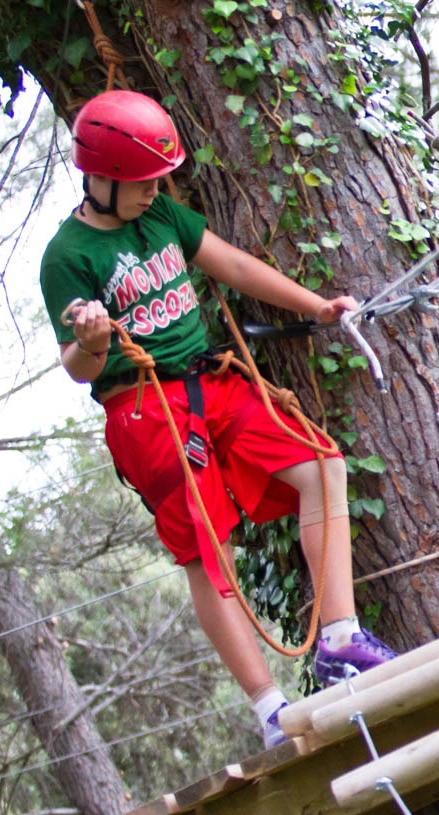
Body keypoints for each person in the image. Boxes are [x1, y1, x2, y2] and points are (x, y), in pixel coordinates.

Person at [38, 89, 396, 749]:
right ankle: (270, 713)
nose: (155, 189)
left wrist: (314, 306)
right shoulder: (67, 257)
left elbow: (228, 263)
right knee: (209, 557)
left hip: (212, 382)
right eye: (143, 181)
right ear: (102, 177)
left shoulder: (163, 215)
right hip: (146, 410)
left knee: (322, 466)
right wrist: (91, 340)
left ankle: (341, 641)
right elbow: (78, 367)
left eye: (158, 179)